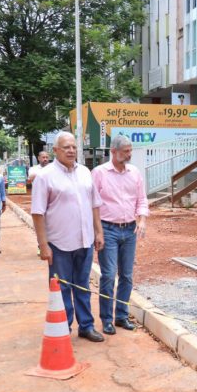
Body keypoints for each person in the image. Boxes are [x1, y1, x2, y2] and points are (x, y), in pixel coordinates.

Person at [31, 131, 106, 343]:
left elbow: (94, 205)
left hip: (85, 241)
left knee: (82, 285)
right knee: (61, 288)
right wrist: (43, 245)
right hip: (59, 244)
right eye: (66, 147)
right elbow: (37, 213)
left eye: (73, 147)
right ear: (55, 151)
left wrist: (98, 232)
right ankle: (63, 327)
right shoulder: (45, 177)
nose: (71, 150)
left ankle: (86, 326)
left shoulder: (85, 172)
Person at [91, 135, 148, 335]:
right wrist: (98, 231)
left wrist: (141, 219)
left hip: (129, 229)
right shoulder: (99, 173)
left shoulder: (135, 173)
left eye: (130, 150)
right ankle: (106, 319)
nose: (129, 154)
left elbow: (141, 199)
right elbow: (93, 204)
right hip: (108, 229)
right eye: (126, 151)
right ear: (113, 152)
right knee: (108, 275)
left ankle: (121, 316)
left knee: (127, 275)